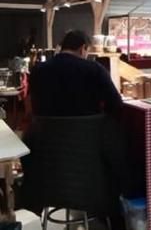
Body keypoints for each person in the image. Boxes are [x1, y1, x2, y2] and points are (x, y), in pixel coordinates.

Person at [26, 30, 126, 229]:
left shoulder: (38, 71)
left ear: (62, 47)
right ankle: (117, 219)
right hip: (90, 163)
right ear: (83, 49)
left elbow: (33, 109)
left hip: (48, 166)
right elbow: (116, 104)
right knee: (120, 158)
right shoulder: (93, 69)